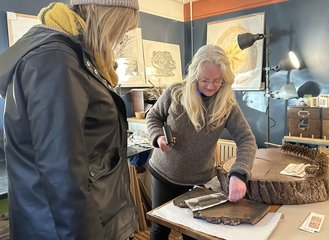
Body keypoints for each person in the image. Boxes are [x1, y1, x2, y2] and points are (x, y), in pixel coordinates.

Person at [0, 0, 139, 239]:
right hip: (69, 229)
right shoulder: (55, 60)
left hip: (84, 220)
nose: (121, 39)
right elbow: (62, 174)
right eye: (123, 28)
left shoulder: (69, 56)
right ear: (102, 14)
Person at [146, 44, 257, 240]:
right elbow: (153, 116)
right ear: (194, 74)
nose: (210, 86)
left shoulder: (227, 104)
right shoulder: (176, 93)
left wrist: (239, 173)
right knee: (160, 229)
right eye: (204, 80)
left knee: (194, 233)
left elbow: (246, 138)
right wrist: (158, 137)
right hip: (164, 174)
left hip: (198, 181)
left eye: (217, 81)